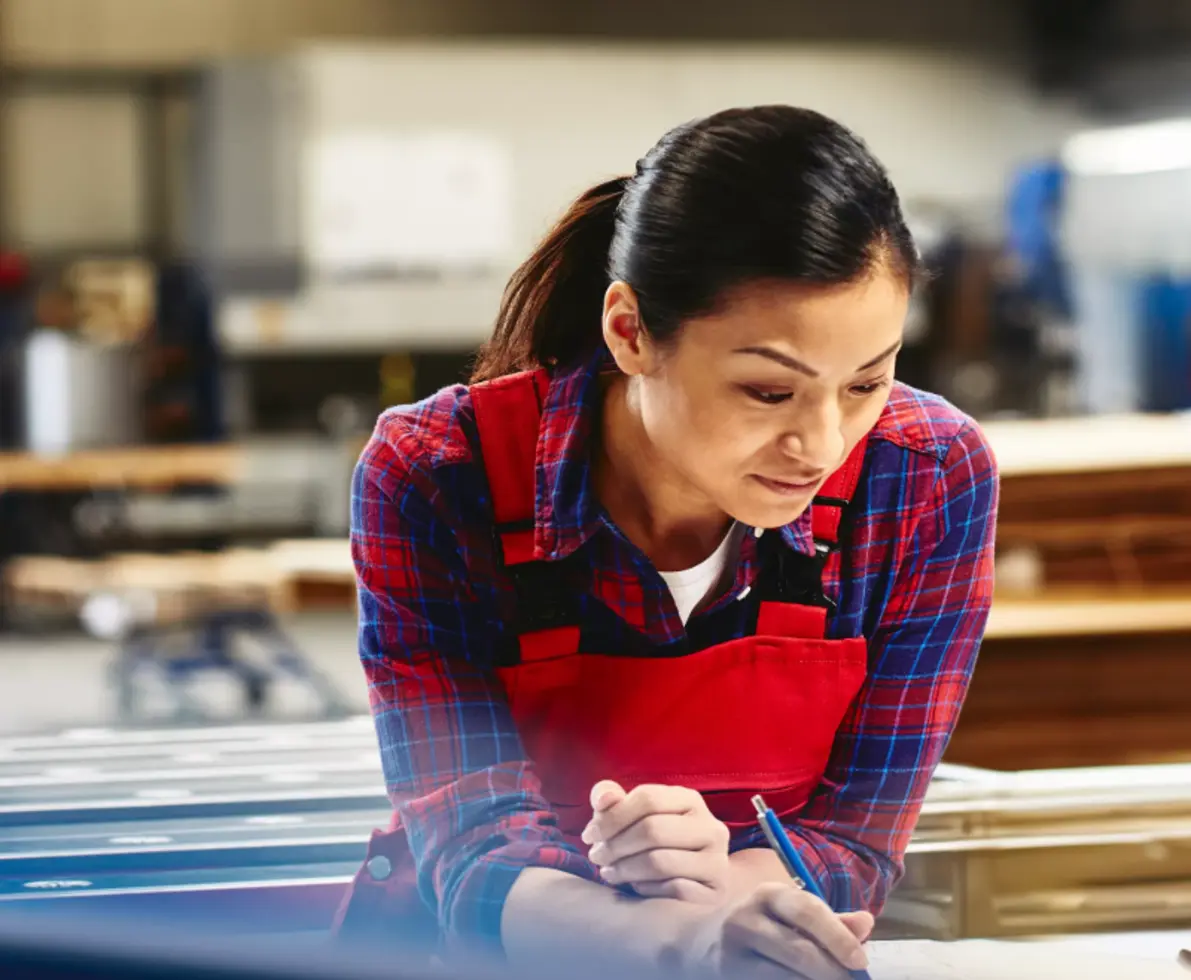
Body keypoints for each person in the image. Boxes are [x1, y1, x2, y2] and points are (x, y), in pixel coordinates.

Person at [334, 105, 999, 979]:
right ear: (630, 331)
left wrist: (724, 890)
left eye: (866, 382)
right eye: (767, 392)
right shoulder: (435, 477)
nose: (823, 444)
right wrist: (678, 936)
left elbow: (854, 838)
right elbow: (472, 845)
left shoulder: (923, 481)